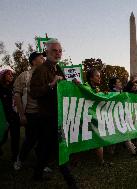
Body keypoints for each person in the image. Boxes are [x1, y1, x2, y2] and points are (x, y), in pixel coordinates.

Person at [30, 39, 78, 188]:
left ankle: (37, 174)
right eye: (54, 51)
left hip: (58, 114)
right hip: (47, 116)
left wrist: (73, 84)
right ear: (47, 52)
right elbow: (34, 92)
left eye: (60, 51)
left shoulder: (58, 69)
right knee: (59, 147)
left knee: (47, 148)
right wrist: (51, 85)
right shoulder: (41, 70)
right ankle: (71, 182)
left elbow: (63, 87)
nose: (58, 53)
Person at [13, 52, 52, 172]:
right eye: (41, 57)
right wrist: (21, 114)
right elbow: (17, 95)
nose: (43, 59)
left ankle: (41, 163)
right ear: (33, 61)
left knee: (44, 140)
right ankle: (19, 160)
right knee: (31, 139)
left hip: (44, 113)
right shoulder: (24, 75)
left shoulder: (46, 75)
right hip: (31, 113)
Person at [108, 77, 137, 156]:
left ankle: (111, 151)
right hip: (116, 118)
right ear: (114, 85)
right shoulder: (111, 93)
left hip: (122, 117)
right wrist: (131, 81)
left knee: (117, 135)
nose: (120, 83)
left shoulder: (121, 92)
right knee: (124, 134)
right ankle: (133, 151)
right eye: (118, 82)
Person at [0, 69, 21, 170]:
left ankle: (15, 158)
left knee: (15, 137)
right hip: (4, 117)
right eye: (8, 74)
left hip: (14, 116)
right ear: (3, 76)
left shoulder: (12, 88)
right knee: (3, 137)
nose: (11, 76)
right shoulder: (1, 89)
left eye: (12, 74)